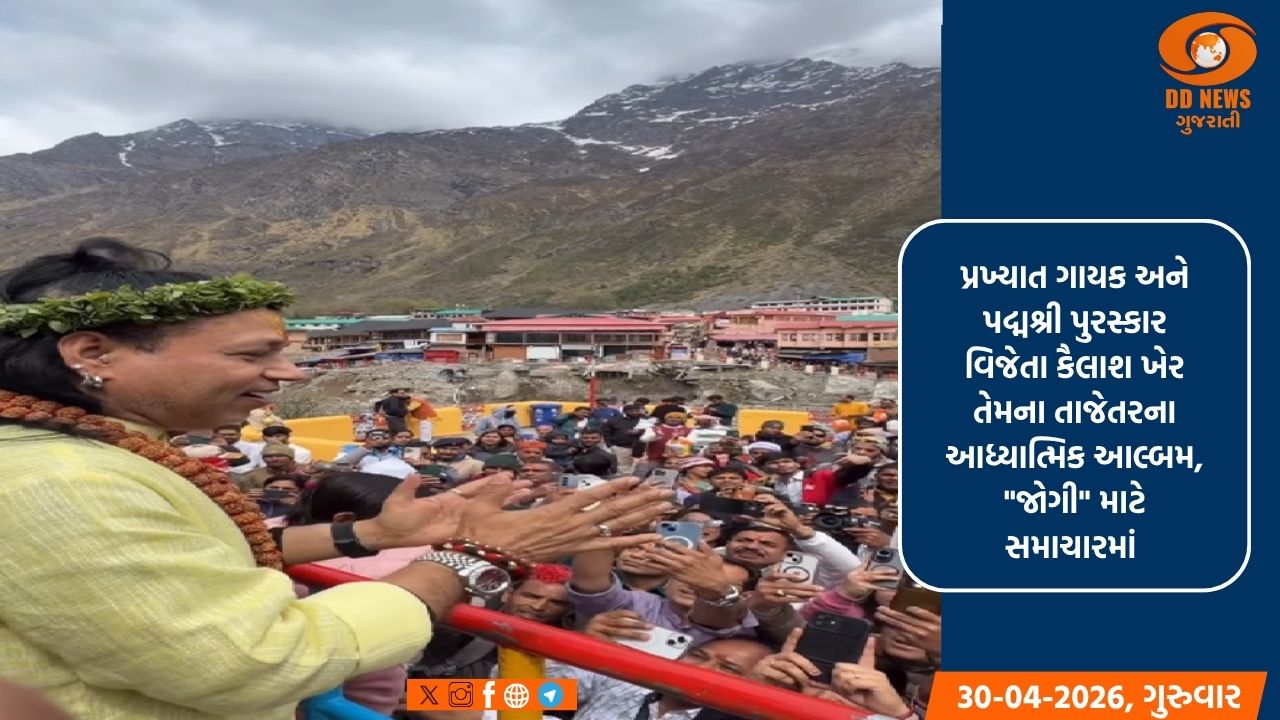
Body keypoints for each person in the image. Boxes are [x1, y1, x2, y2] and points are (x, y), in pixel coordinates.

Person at [0, 238, 674, 720]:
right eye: (254, 354)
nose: (289, 373)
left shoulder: (92, 456)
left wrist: (371, 537)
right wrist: (474, 556)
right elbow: (260, 659)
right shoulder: (60, 481)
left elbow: (184, 557)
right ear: (93, 353)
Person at [601, 403, 648, 474]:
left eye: (637, 411)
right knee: (622, 467)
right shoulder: (615, 420)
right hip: (621, 447)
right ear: (625, 411)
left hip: (642, 447)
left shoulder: (646, 419)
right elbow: (606, 432)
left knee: (640, 466)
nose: (635, 413)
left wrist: (640, 431)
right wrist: (610, 444)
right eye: (632, 411)